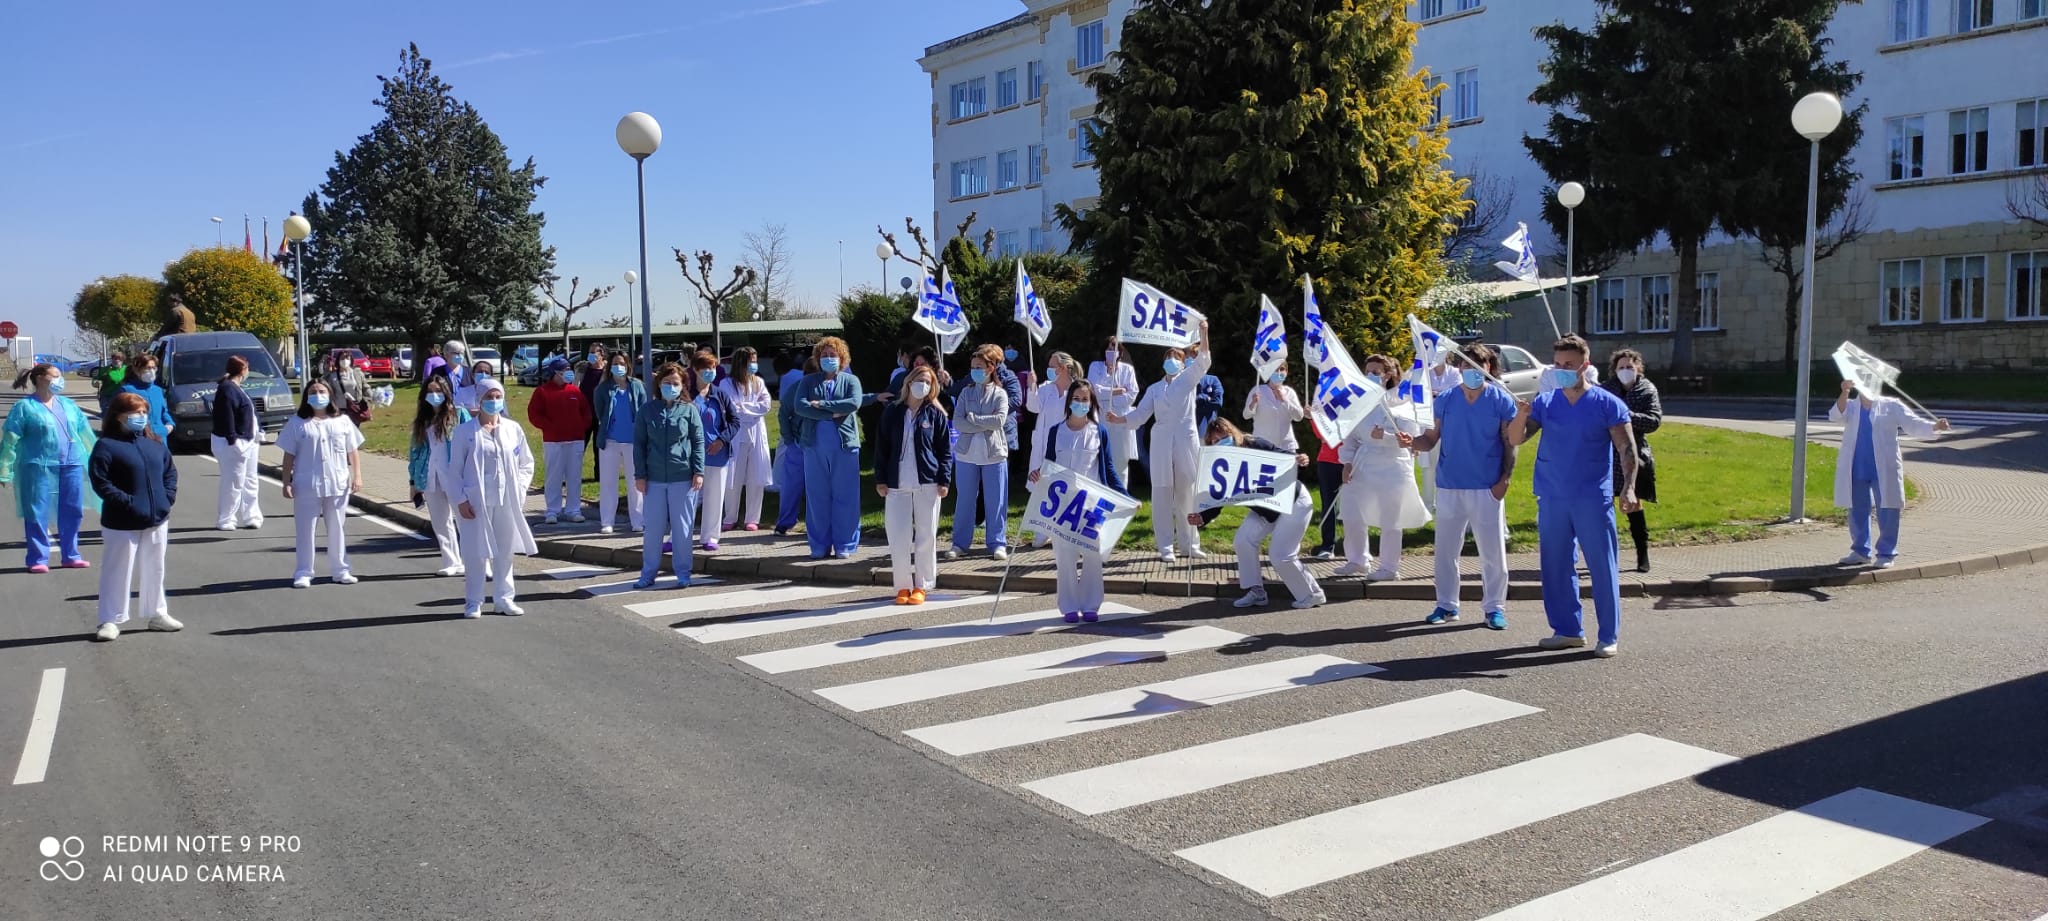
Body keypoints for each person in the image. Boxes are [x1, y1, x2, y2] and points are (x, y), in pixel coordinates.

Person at [1508, 335, 1639, 658]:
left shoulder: (1607, 403)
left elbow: (1627, 448)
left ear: (1585, 365)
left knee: (1601, 565)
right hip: (1552, 495)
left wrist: (1630, 486)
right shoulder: (1546, 402)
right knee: (1555, 565)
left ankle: (1608, 634)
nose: (1562, 370)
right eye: (1558, 365)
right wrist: (1521, 414)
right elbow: (1515, 438)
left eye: (1569, 365)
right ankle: (1567, 630)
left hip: (1592, 497)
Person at [1408, 345, 1515, 631]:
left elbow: (1509, 442)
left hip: (1486, 486)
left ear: (1488, 368)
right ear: (1459, 370)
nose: (1472, 372)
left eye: (1478, 367)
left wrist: (1504, 479)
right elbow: (1430, 438)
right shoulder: (1446, 400)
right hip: (1450, 485)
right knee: (1445, 551)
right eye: (1466, 367)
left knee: (1492, 553)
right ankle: (1446, 605)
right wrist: (1412, 442)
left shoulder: (1500, 400)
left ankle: (1494, 608)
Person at [1111, 320, 1212, 562]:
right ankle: (1166, 546)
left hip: (1185, 439)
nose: (1172, 361)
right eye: (1168, 357)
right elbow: (1141, 414)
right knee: (1162, 492)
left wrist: (1204, 333)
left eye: (1177, 357)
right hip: (1162, 439)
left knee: (1186, 492)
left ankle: (1189, 544)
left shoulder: (1188, 379)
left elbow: (1203, 360)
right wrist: (1119, 419)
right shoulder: (1155, 389)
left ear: (1183, 362)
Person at [1202, 417, 1325, 610]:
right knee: (1243, 540)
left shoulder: (1254, 444)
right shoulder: (1221, 466)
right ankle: (1256, 592)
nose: (1220, 442)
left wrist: (1299, 459)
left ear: (1232, 433)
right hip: (1266, 510)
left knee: (1281, 554)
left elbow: (1281, 456)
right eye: (1214, 441)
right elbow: (1218, 497)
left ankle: (1312, 594)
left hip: (1293, 502)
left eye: (1224, 437)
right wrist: (1201, 517)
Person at [88, 392, 182, 640]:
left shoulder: (154, 444)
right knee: (117, 570)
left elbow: (169, 473)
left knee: (155, 567)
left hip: (156, 518)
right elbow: (101, 482)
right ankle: (110, 619)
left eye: (143, 412)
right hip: (121, 522)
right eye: (135, 412)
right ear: (119, 416)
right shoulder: (106, 446)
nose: (141, 417)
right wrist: (127, 503)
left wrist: (166, 499)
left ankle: (157, 613)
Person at [1829, 377, 1948, 569]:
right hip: (1856, 465)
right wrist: (1844, 392)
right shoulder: (1852, 406)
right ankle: (1860, 551)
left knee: (1888, 509)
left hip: (1883, 466)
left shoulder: (1891, 405)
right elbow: (1836, 416)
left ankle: (1886, 553)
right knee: (1857, 509)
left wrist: (1934, 427)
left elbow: (1913, 424)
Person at [1033, 380, 1127, 623]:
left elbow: (1108, 468)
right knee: (1065, 557)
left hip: (1092, 505)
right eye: (1077, 398)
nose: (1081, 403)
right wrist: (1039, 474)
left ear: (1092, 403)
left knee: (1093, 555)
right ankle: (1069, 605)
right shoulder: (1056, 430)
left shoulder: (1099, 431)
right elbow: (1049, 465)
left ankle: (1091, 604)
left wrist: (1125, 497)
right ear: (1069, 401)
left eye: (1085, 399)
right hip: (1063, 506)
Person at [1335, 355, 1432, 580]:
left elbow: (1410, 437)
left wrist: (1386, 436)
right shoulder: (1358, 401)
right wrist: (1347, 462)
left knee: (1391, 517)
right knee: (1351, 511)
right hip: (1363, 462)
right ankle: (1358, 559)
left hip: (1393, 464)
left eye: (1376, 372)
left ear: (1388, 375)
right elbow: (1350, 437)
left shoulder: (1401, 400)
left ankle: (1389, 567)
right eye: (1368, 371)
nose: (1371, 375)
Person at [447, 379, 538, 617]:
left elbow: (526, 464)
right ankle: (473, 601)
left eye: (498, 396)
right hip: (476, 501)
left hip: (506, 499)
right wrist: (461, 500)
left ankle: (504, 599)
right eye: (489, 397)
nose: (494, 401)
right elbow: (454, 470)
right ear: (479, 399)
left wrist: (519, 489)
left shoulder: (512, 429)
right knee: (475, 552)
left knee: (505, 550)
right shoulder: (465, 432)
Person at [0, 363, 98, 571]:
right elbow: (10, 439)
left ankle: (71, 555)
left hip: (71, 464)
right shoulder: (25, 407)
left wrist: (98, 459)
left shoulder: (68, 405)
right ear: (40, 378)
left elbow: (86, 434)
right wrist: (4, 468)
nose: (59, 380)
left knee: (72, 511)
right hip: (38, 466)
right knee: (37, 511)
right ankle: (38, 558)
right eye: (55, 375)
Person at [276, 379, 364, 589]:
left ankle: (341, 570)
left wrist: (357, 475)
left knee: (337, 528)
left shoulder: (342, 421)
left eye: (322, 391)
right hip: (307, 484)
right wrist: (286, 481)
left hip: (337, 482)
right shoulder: (297, 423)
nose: (318, 395)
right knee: (306, 530)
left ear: (330, 395)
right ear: (307, 396)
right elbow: (289, 454)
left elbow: (353, 450)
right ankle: (304, 571)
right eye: (313, 391)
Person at [877, 365, 953, 604]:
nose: (924, 385)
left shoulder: (935, 414)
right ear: (909, 382)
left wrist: (944, 479)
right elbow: (882, 447)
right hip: (896, 482)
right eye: (920, 380)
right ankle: (902, 586)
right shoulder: (892, 411)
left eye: (929, 382)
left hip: (927, 482)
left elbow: (945, 452)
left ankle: (922, 585)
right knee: (898, 536)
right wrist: (880, 478)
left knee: (926, 535)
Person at [633, 363, 706, 589]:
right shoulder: (647, 410)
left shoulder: (689, 410)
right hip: (654, 479)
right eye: (667, 383)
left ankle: (683, 572)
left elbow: (698, 442)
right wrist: (640, 475)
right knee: (653, 529)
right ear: (658, 384)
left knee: (683, 528)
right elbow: (639, 444)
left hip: (682, 477)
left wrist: (698, 470)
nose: (671, 387)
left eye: (675, 383)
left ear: (683, 385)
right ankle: (648, 573)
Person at [791, 338, 864, 559]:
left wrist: (821, 405)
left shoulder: (851, 380)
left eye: (833, 355)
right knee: (817, 496)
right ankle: (819, 545)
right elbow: (800, 406)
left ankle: (845, 544)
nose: (828, 359)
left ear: (842, 358)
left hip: (844, 445)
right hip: (814, 445)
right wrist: (833, 412)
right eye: (824, 355)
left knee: (846, 495)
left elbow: (853, 403)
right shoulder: (808, 381)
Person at [946, 344, 1014, 561]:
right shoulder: (966, 392)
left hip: (994, 454)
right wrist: (981, 422)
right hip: (967, 454)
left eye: (979, 367)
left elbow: (999, 420)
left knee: (996, 500)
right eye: (973, 366)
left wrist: (973, 419)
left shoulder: (1000, 393)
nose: (975, 371)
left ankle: (997, 542)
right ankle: (960, 543)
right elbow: (958, 421)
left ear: (990, 368)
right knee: (965, 500)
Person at [1602, 349, 1664, 573]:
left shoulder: (1647, 390)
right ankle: (1606, 556)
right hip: (1607, 453)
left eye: (1630, 367)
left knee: (1634, 504)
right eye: (1621, 368)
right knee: (1603, 505)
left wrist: (1626, 416)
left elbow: (1654, 420)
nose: (1625, 371)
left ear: (1638, 368)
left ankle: (1642, 554)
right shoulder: (1606, 389)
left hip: (1635, 452)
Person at [408, 374, 470, 576]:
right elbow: (415, 452)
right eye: (430, 391)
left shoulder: (459, 415)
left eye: (438, 391)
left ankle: (475, 561)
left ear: (446, 393)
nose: (434, 395)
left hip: (455, 475)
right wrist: (413, 481)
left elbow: (471, 443)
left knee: (464, 519)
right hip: (430, 476)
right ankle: (451, 561)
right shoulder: (422, 421)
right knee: (440, 521)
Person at [1026, 352, 1083, 547]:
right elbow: (1033, 407)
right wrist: (1031, 385)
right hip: (1042, 445)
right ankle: (1043, 532)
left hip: (1065, 446)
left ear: (1065, 368)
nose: (1049, 370)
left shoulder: (1077, 390)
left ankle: (1067, 532)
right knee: (1042, 486)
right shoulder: (1045, 389)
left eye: (1053, 366)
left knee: (1065, 488)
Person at [527, 356, 593, 525]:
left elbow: (586, 411)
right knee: (553, 477)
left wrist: (582, 426)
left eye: (569, 369)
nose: (568, 373)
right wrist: (550, 427)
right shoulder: (542, 391)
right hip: (553, 441)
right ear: (555, 373)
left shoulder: (574, 391)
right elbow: (534, 414)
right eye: (565, 370)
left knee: (574, 476)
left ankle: (573, 509)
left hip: (575, 440)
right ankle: (552, 510)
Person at [592, 351, 647, 535]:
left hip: (633, 442)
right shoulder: (603, 388)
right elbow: (600, 411)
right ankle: (607, 521)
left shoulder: (637, 386)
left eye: (622, 363)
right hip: (610, 441)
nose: (619, 367)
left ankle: (638, 520)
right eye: (615, 363)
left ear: (628, 365)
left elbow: (644, 409)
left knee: (635, 482)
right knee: (608, 483)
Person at [719, 347, 774, 532]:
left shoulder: (758, 382)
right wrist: (751, 408)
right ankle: (730, 516)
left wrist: (746, 408)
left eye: (755, 360)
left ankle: (752, 518)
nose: (754, 365)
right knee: (734, 476)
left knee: (756, 476)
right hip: (737, 434)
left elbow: (766, 405)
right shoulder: (727, 384)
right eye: (751, 361)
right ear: (742, 362)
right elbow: (732, 407)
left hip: (757, 433)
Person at [690, 351, 739, 551]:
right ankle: (678, 536)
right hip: (691, 456)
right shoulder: (686, 394)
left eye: (712, 368)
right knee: (687, 499)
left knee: (715, 497)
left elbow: (735, 422)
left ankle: (710, 537)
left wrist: (722, 440)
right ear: (695, 369)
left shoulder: (720, 394)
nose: (710, 372)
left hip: (717, 455)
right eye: (705, 368)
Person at [210, 355, 263, 530]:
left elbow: (249, 414)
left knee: (250, 480)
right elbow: (226, 417)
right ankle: (226, 518)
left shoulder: (237, 388)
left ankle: (251, 515)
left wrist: (257, 431)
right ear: (242, 370)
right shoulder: (227, 389)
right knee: (233, 482)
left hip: (248, 440)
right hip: (234, 443)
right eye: (247, 367)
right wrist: (233, 440)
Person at [773, 353, 810, 536]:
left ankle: (814, 522)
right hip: (798, 443)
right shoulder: (797, 388)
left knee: (815, 487)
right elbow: (783, 414)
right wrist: (789, 439)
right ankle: (785, 522)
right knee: (792, 485)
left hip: (816, 445)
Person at [116, 354, 173, 441]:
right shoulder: (127, 390)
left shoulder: (158, 390)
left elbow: (164, 412)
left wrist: (169, 425)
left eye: (154, 368)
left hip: (160, 440)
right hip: (137, 440)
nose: (151, 371)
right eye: (148, 368)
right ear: (137, 370)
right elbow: (119, 417)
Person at [1309, 429, 1345, 560]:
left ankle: (1358, 549)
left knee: (1355, 504)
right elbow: (1321, 433)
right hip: (1327, 460)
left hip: (1352, 460)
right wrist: (1311, 417)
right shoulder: (1326, 409)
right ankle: (1327, 547)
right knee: (1329, 504)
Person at [1196, 369, 1226, 434]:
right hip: (1189, 426)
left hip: (1209, 428)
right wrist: (1206, 397)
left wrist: (1197, 403)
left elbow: (1218, 402)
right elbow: (1183, 401)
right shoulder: (1185, 381)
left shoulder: (1213, 380)